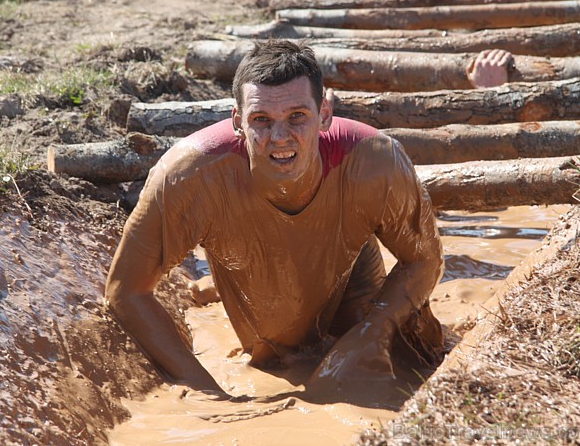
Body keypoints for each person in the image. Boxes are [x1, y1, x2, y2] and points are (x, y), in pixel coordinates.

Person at [105, 40, 444, 398]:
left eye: (297, 116)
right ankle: (220, 292)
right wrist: (211, 395)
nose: (280, 138)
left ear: (325, 115)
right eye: (261, 121)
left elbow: (425, 258)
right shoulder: (188, 177)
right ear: (237, 121)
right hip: (259, 292)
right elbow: (125, 290)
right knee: (274, 354)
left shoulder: (376, 160)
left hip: (352, 264)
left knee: (404, 356)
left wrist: (371, 335)